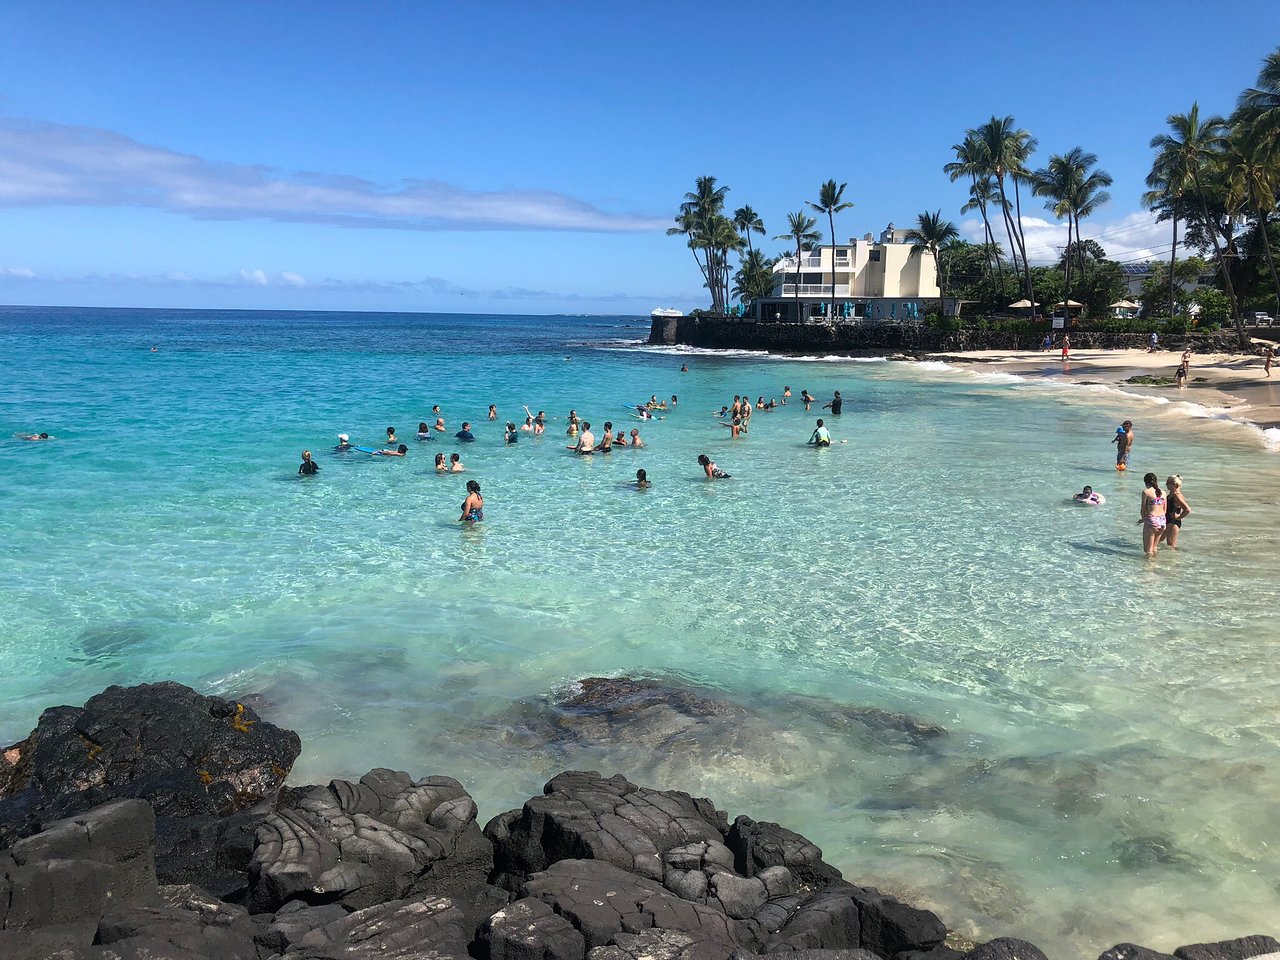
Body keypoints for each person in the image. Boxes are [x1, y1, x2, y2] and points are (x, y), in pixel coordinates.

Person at [1139, 473, 1167, 556]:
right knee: (1154, 547)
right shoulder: (1163, 493)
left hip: (1152, 520)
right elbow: (1165, 510)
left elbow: (1143, 510)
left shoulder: (1146, 492)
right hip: (1162, 520)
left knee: (1148, 550)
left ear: (1145, 482)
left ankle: (1149, 567)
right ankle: (1156, 566)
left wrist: (1144, 519)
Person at [1162, 475, 1191, 549]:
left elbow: (1187, 510)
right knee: (1158, 541)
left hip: (1173, 522)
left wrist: (1178, 517)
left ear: (1175, 484)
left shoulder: (1177, 496)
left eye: (1168, 483)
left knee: (1171, 546)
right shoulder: (1172, 494)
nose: (1166, 484)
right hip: (1167, 521)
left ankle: (1172, 560)